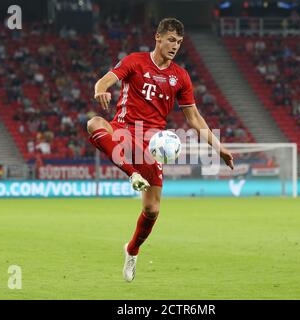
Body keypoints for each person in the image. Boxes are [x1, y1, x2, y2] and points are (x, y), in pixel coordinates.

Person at [87, 18, 234, 282]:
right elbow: (105, 81)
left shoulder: (180, 77)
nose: (174, 46)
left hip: (153, 144)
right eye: (170, 40)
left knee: (152, 210)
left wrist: (219, 148)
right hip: (123, 130)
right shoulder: (135, 61)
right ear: (157, 37)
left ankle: (132, 251)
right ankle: (132, 174)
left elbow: (194, 119)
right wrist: (100, 90)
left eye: (178, 42)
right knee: (94, 123)